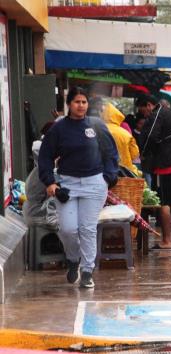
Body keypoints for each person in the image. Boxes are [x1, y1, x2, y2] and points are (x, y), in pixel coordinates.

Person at [38, 86, 119, 288]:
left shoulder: (97, 125)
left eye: (84, 102)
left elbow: (110, 153)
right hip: (67, 185)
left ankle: (87, 271)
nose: (81, 105)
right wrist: (50, 182)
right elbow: (45, 156)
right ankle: (73, 260)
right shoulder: (59, 128)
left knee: (87, 228)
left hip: (94, 183)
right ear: (69, 104)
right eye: (77, 102)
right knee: (67, 229)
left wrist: (108, 178)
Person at [137, 94, 171, 250]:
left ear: (149, 105)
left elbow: (151, 136)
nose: (145, 115)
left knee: (164, 203)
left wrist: (145, 152)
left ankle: (166, 240)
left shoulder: (158, 114)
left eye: (143, 111)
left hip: (165, 166)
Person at [101, 103, 140, 175]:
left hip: (103, 170)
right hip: (124, 171)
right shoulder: (126, 134)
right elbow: (134, 155)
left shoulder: (97, 131)